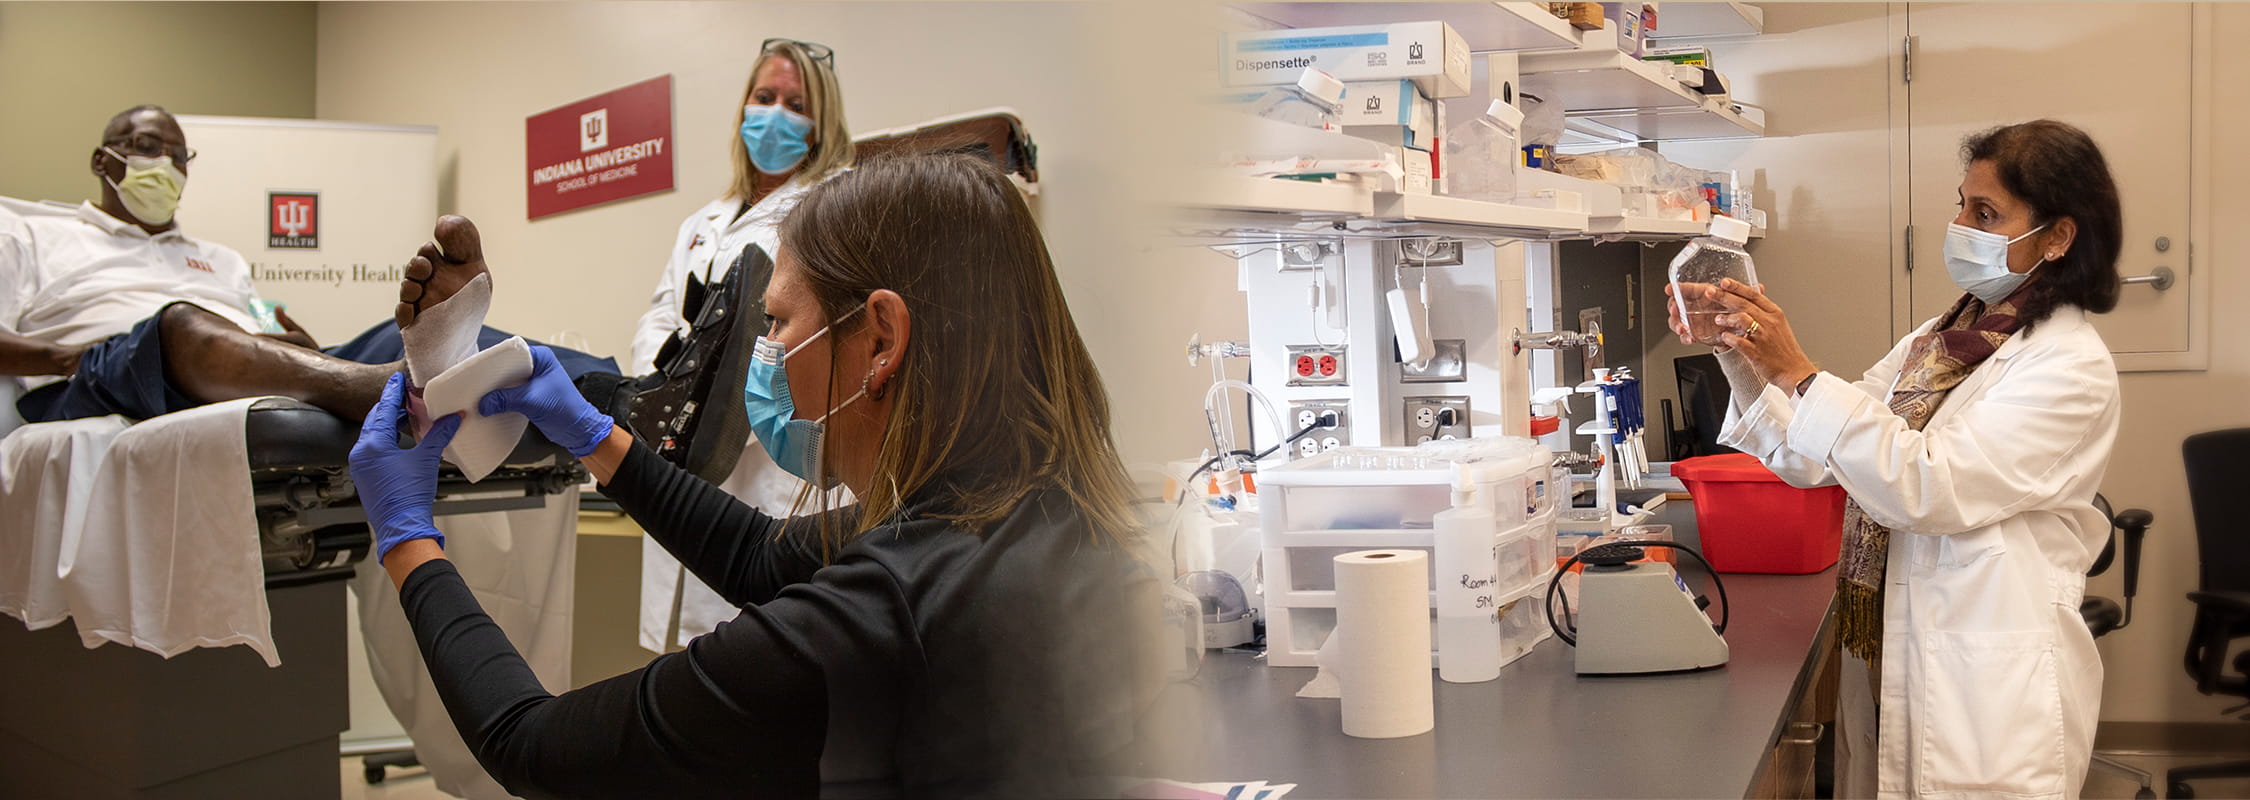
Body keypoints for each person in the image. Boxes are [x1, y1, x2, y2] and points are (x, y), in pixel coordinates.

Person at [352, 153, 1160, 797]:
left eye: (776, 322)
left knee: (343, 359)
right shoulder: (1030, 506)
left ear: (881, 339)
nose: (765, 357)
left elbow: (529, 746)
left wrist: (406, 538)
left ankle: (352, 369)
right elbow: (760, 558)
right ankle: (595, 392)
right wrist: (597, 438)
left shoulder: (875, 615)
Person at [1669, 119, 2122, 798]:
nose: (1960, 224)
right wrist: (1741, 348)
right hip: (1902, 646)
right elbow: (1816, 454)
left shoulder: (2069, 366)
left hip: (1987, 679)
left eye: (1987, 212)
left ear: (2058, 237)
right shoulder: (1947, 336)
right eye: (1962, 204)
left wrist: (1795, 367)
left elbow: (1925, 487)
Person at [0, 104, 612, 426]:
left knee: (396, 336)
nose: (165, 164)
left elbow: (257, 325)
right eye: (145, 148)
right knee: (178, 326)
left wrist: (292, 344)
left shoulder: (221, 260)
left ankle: (620, 394)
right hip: (103, 372)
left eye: (178, 154)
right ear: (102, 159)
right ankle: (395, 388)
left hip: (220, 361)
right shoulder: (35, 236)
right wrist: (63, 357)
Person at [626, 38, 858, 655]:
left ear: (820, 123)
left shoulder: (830, 207)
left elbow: (817, 339)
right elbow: (658, 316)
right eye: (764, 97)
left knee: (756, 652)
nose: (775, 112)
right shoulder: (702, 222)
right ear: (742, 110)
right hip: (681, 442)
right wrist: (675, 383)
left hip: (766, 466)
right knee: (685, 660)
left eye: (795, 102)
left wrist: (727, 406)